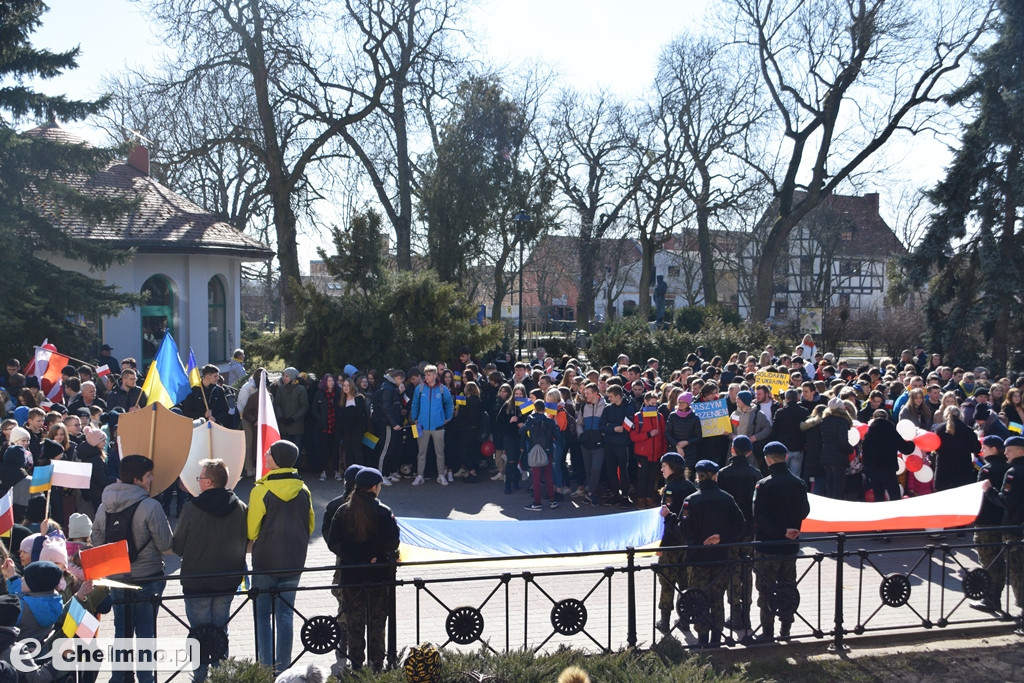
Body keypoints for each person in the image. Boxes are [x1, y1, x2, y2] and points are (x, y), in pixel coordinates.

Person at [91, 454, 174, 683]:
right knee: (146, 633)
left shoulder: (103, 506)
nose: (152, 479)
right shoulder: (150, 506)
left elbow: (96, 541)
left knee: (121, 632)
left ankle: (119, 678)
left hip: (118, 578)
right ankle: (147, 679)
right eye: (148, 475)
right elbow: (166, 545)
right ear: (137, 479)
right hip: (148, 577)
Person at [172, 458, 248, 682]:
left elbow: (177, 546)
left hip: (197, 580)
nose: (198, 481)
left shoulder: (191, 507)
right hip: (228, 579)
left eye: (200, 477)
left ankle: (200, 675)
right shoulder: (241, 507)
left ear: (208, 482)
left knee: (199, 631)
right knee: (220, 628)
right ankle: (221, 674)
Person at [247, 440, 314, 675]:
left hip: (265, 561)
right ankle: (284, 669)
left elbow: (252, 529)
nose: (265, 454)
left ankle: (265, 669)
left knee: (263, 615)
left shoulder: (261, 490)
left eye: (269, 452)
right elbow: (311, 524)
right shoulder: (303, 489)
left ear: (277, 459)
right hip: (294, 561)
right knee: (286, 614)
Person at [326, 467, 400, 673]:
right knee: (377, 624)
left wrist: (353, 557)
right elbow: (393, 542)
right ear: (375, 487)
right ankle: (377, 667)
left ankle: (356, 667)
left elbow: (333, 542)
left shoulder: (343, 510)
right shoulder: (384, 511)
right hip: (378, 577)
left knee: (354, 624)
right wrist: (374, 555)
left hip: (351, 577)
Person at [679, 459, 745, 648]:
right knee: (717, 599)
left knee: (699, 599)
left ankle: (702, 640)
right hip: (720, 557)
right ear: (715, 476)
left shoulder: (691, 501)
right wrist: (721, 537)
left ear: (698, 477)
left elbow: (685, 532)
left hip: (697, 559)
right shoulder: (727, 498)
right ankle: (717, 637)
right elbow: (740, 526)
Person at [752, 442, 810, 642]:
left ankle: (767, 632)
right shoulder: (799, 483)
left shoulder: (764, 484)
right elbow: (805, 511)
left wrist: (780, 532)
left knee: (766, 589)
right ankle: (786, 629)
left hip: (768, 546)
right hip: (790, 546)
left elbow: (758, 516)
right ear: (786, 457)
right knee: (787, 588)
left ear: (768, 459)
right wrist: (790, 530)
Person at [716, 436, 762, 636]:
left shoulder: (724, 473)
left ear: (732, 450)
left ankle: (735, 614)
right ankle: (747, 614)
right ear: (750, 452)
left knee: (732, 572)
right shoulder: (756, 473)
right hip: (749, 531)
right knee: (747, 571)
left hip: (731, 532)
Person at [981, 435, 1024, 635]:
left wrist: (989, 491)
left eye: (1009, 449)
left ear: (1020, 451)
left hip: (1014, 528)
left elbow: (1006, 501)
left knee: (1017, 571)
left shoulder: (1014, 473)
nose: (1005, 452)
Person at [655, 452, 696, 634]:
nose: (662, 469)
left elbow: (666, 516)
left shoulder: (671, 489)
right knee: (684, 582)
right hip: (686, 541)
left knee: (667, 581)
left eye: (664, 466)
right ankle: (685, 619)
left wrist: (660, 545)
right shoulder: (690, 486)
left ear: (672, 467)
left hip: (671, 543)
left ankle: (664, 622)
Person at [971, 436, 1010, 614]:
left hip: (986, 522)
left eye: (984, 447)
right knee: (999, 563)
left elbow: (980, 495)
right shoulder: (1009, 468)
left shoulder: (987, 470)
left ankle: (990, 600)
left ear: (994, 449)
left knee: (987, 562)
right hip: (1004, 522)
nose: (982, 451)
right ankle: (996, 598)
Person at [409, 365, 453, 487]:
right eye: (425, 374)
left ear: (435, 375)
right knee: (421, 452)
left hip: (438, 426)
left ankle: (440, 475)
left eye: (429, 374)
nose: (426, 377)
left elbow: (449, 404)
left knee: (440, 452)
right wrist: (415, 418)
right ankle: (420, 475)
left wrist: (447, 418)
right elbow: (415, 405)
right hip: (421, 426)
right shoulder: (420, 389)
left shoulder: (443, 389)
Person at [861, 409, 915, 503]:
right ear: (886, 417)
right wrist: (912, 443)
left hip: (873, 470)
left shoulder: (868, 434)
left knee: (878, 497)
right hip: (888, 468)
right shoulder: (890, 430)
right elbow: (905, 448)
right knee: (894, 495)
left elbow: (864, 453)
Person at [629, 391, 667, 509]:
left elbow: (663, 436)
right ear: (645, 402)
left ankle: (649, 498)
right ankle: (641, 499)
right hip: (642, 453)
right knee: (642, 478)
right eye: (651, 404)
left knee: (652, 478)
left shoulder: (659, 417)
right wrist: (649, 434)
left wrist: (664, 452)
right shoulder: (638, 416)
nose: (653, 406)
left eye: (655, 404)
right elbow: (633, 436)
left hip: (656, 453)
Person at [520, 400, 558, 511]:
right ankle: (552, 500)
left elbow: (522, 431)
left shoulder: (529, 420)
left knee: (536, 478)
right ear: (544, 409)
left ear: (535, 408)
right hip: (547, 451)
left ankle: (537, 503)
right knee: (548, 476)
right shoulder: (550, 422)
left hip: (534, 450)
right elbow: (557, 435)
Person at [933, 405, 981, 492]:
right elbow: (976, 449)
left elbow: (935, 449)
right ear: (960, 415)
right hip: (963, 473)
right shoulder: (968, 430)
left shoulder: (939, 430)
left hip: (944, 473)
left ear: (946, 415)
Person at [576, 383, 607, 506]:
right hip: (585, 443)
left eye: (588, 393)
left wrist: (602, 436)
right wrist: (581, 435)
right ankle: (591, 493)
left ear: (595, 393)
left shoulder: (605, 406)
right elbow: (579, 423)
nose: (585, 395)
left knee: (596, 469)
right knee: (588, 469)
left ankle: (592, 492)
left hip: (599, 444)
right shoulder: (584, 406)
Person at [771, 389, 810, 480]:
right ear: (797, 398)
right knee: (795, 476)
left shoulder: (780, 412)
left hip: (782, 449)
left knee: (780, 474)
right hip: (798, 448)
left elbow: (774, 430)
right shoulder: (804, 412)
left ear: (786, 399)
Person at [274, 367, 310, 457]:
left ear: (293, 377)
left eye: (287, 376)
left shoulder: (301, 389)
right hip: (284, 426)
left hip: (296, 426)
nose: (284, 378)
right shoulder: (281, 389)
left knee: (296, 449)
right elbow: (277, 404)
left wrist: (293, 419)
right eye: (283, 376)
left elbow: (304, 406)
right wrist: (281, 417)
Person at [313, 373, 342, 481]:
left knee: (335, 450)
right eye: (329, 381)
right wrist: (321, 419)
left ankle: (336, 471)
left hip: (335, 426)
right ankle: (323, 471)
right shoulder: (319, 394)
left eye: (332, 381)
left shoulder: (338, 393)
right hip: (324, 427)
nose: (331, 383)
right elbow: (314, 409)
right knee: (323, 450)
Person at [666, 392, 702, 476]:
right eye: (679, 402)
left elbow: (698, 436)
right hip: (674, 449)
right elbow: (668, 433)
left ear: (688, 403)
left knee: (688, 475)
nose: (680, 404)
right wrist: (677, 445)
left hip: (690, 452)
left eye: (683, 402)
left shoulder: (694, 418)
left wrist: (687, 442)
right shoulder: (672, 416)